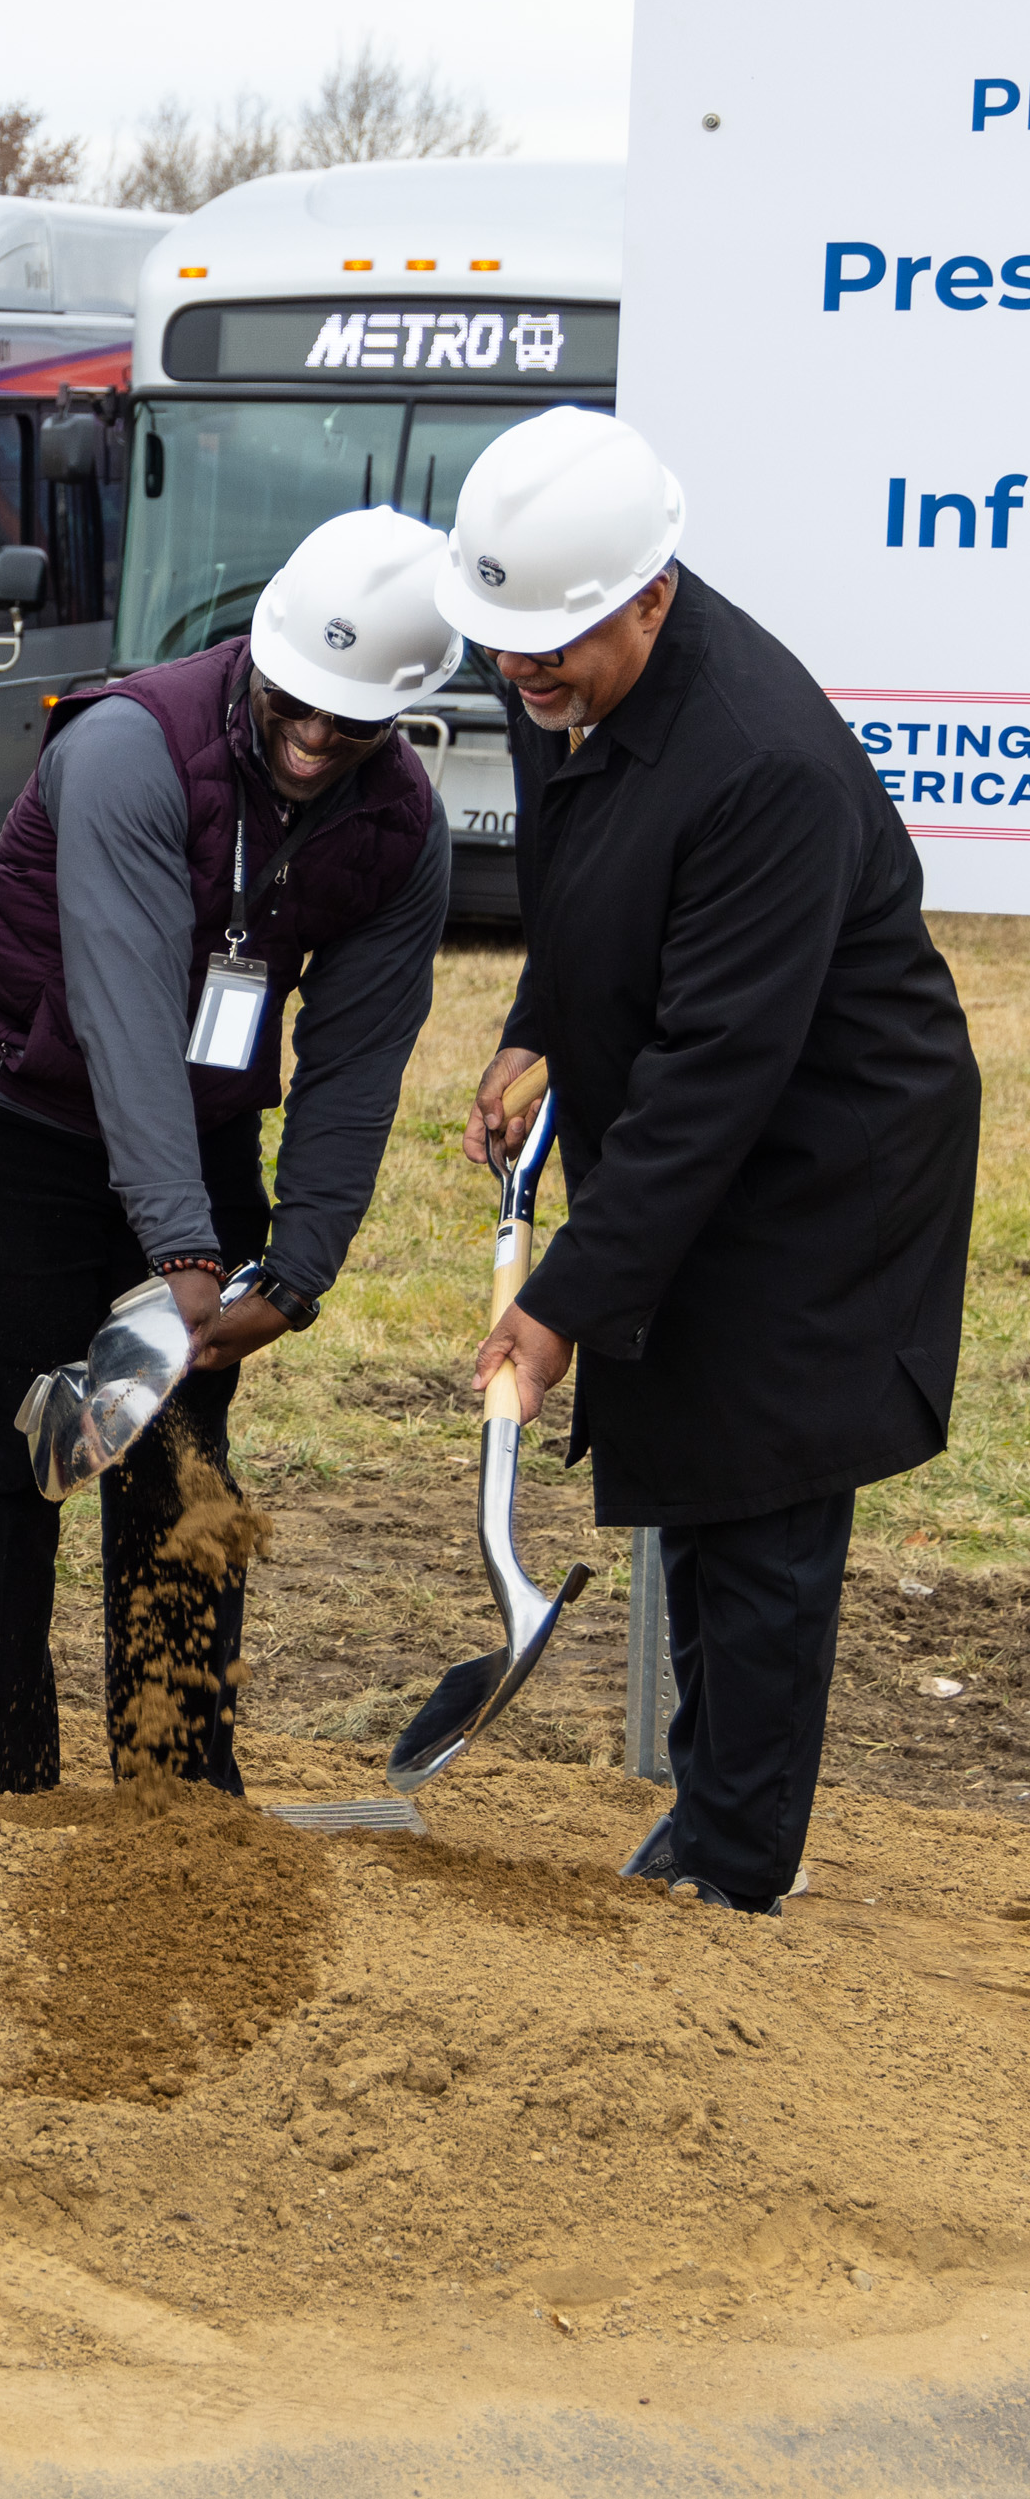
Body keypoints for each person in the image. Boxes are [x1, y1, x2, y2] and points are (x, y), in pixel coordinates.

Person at [446, 409, 979, 1915]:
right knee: (687, 1456)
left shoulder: (763, 766)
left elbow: (713, 1080)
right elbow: (580, 884)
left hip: (827, 1164)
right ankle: (706, 1805)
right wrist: (538, 1022)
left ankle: (740, 1865)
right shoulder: (558, 676)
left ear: (654, 594)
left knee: (762, 1484)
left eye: (555, 642)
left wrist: (550, 1311)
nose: (524, 672)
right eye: (506, 644)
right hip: (707, 1130)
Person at [0, 507, 457, 1793]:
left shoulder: (403, 834)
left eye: (352, 724)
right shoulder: (125, 746)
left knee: (176, 1448)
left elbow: (357, 1063)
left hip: (201, 1112)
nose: (314, 744)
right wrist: (184, 1247)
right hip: (10, 1094)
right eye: (293, 708)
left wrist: (294, 1272)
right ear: (258, 658)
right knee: (14, 1440)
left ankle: (175, 1780)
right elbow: (120, 1006)